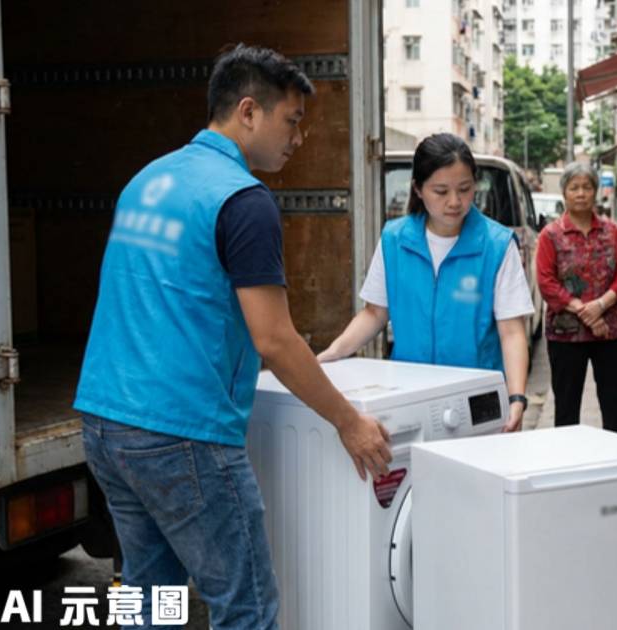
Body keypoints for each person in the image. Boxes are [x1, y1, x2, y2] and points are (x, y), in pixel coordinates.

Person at [74, 45, 392, 630]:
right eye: (291, 121)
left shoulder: (148, 179)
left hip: (104, 421)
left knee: (152, 598)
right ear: (248, 111)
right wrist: (349, 421)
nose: (297, 139)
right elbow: (274, 339)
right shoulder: (243, 200)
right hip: (181, 433)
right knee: (245, 607)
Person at [317, 133, 532, 432]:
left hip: (476, 399)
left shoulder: (496, 245)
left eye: (465, 189)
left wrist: (517, 397)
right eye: (441, 191)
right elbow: (375, 313)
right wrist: (334, 352)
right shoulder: (395, 239)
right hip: (410, 395)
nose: (455, 202)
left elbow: (512, 331)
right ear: (418, 189)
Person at [536, 162, 617, 433]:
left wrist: (601, 305)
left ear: (595, 192)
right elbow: (546, 282)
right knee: (566, 409)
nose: (581, 193)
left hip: (610, 334)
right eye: (574, 188)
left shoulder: (613, 232)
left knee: (614, 407)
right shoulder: (550, 235)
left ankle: (615, 461)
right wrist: (584, 311)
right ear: (565, 193)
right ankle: (569, 469)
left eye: (587, 187)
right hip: (566, 337)